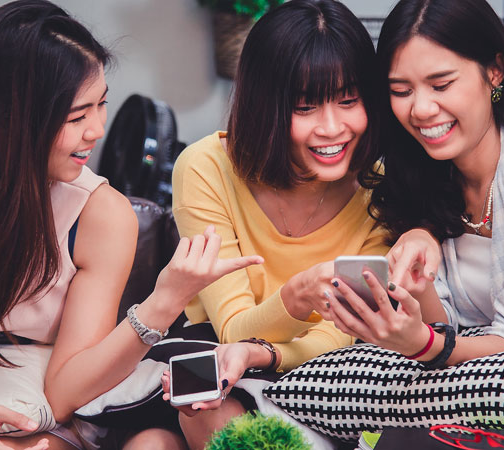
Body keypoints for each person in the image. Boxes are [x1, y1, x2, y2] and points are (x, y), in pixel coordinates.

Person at [0, 2, 261, 449]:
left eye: (101, 105)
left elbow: (64, 392)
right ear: (8, 119)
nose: (98, 129)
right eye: (77, 117)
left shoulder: (101, 212)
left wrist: (164, 302)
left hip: (41, 409)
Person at [262, 0, 504, 448]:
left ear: (494, 72)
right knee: (330, 370)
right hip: (477, 387)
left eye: (441, 83)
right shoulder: (429, 176)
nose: (422, 109)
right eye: (401, 90)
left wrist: (423, 347)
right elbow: (448, 325)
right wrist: (417, 282)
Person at [165, 0, 391, 448]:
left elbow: (345, 333)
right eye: (305, 107)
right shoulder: (206, 168)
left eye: (349, 101)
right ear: (264, 107)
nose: (333, 128)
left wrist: (268, 353)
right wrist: (297, 297)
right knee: (199, 410)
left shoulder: (381, 187)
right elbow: (231, 330)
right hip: (220, 359)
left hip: (327, 376)